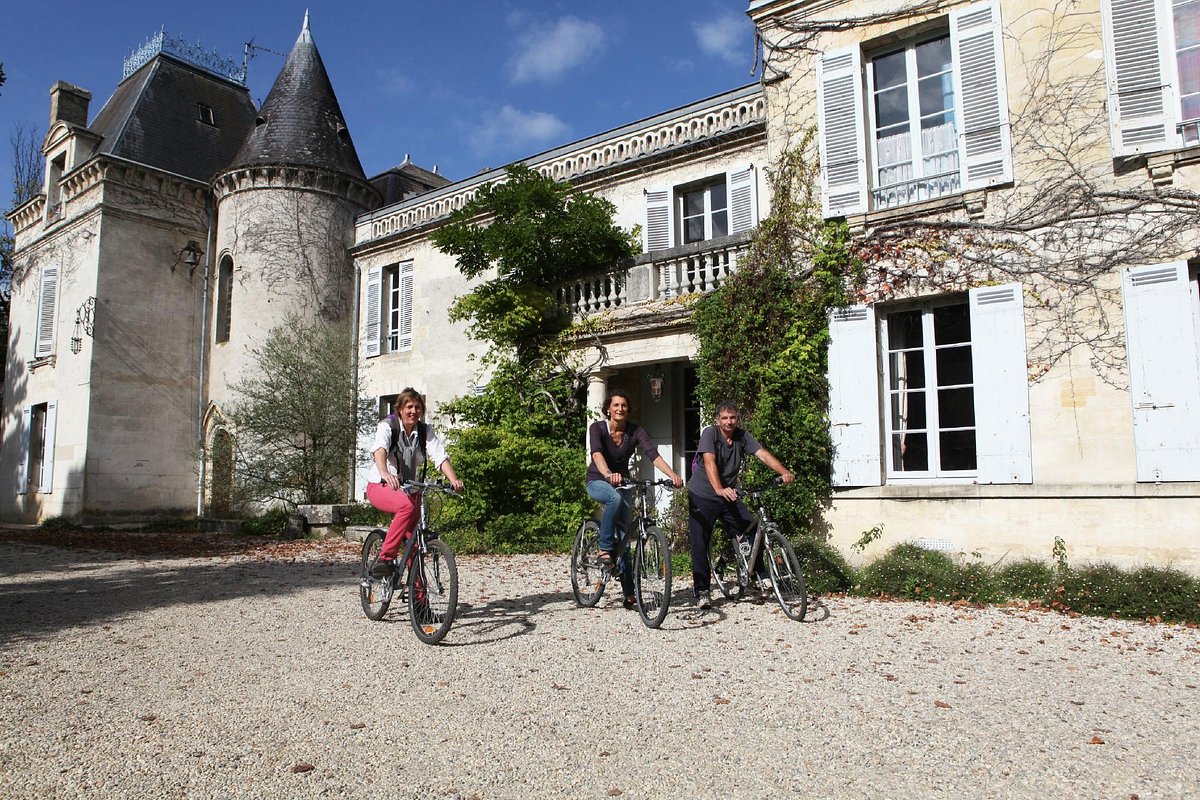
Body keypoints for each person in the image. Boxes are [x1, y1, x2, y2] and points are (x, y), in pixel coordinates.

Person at [687, 401, 793, 608]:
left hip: (728, 494)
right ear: (718, 420)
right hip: (703, 494)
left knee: (752, 528)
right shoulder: (711, 434)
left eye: (733, 417)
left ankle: (760, 575)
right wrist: (718, 488)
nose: (729, 421)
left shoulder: (742, 436)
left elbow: (762, 454)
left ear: (737, 419)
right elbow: (709, 461)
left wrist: (784, 472)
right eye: (725, 418)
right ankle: (702, 591)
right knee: (700, 539)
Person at [586, 389, 683, 608]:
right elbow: (597, 454)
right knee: (614, 499)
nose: (620, 409)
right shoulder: (597, 428)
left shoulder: (635, 431)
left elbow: (653, 454)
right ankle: (603, 547)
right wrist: (608, 474)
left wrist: (673, 475)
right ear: (608, 409)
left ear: (627, 410)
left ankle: (629, 594)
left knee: (626, 536)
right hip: (598, 480)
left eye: (624, 406)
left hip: (623, 483)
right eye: (616, 405)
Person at [367, 388, 463, 577]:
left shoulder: (424, 430)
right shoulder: (388, 426)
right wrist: (385, 472)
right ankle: (385, 558)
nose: (414, 411)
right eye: (409, 406)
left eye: (418, 407)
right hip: (381, 485)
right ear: (400, 409)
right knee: (406, 507)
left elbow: (440, 456)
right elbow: (380, 449)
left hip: (411, 489)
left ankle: (420, 602)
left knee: (415, 544)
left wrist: (453, 480)